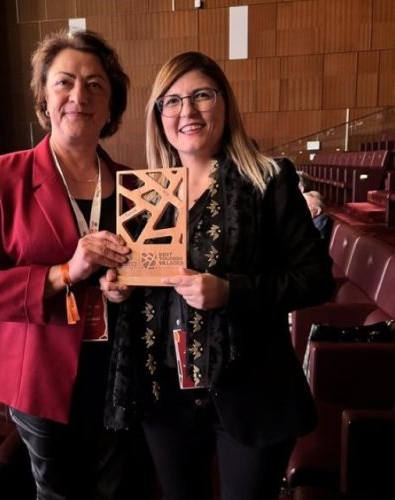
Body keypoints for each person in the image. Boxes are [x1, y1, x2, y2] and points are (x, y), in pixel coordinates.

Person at [101, 51, 336, 500]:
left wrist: (231, 292)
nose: (187, 111)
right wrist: (117, 289)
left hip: (251, 390)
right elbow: (142, 284)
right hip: (166, 392)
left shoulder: (268, 179)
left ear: (224, 102)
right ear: (159, 116)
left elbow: (316, 279)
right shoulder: (147, 193)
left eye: (201, 96)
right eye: (172, 101)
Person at [0, 29, 153, 500]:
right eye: (64, 82)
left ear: (111, 104)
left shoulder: (138, 186)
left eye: (95, 85)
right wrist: (65, 272)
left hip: (119, 370)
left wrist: (127, 285)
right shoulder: (1, 177)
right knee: (60, 492)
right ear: (44, 97)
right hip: (38, 372)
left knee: (119, 490)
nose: (79, 96)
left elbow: (151, 275)